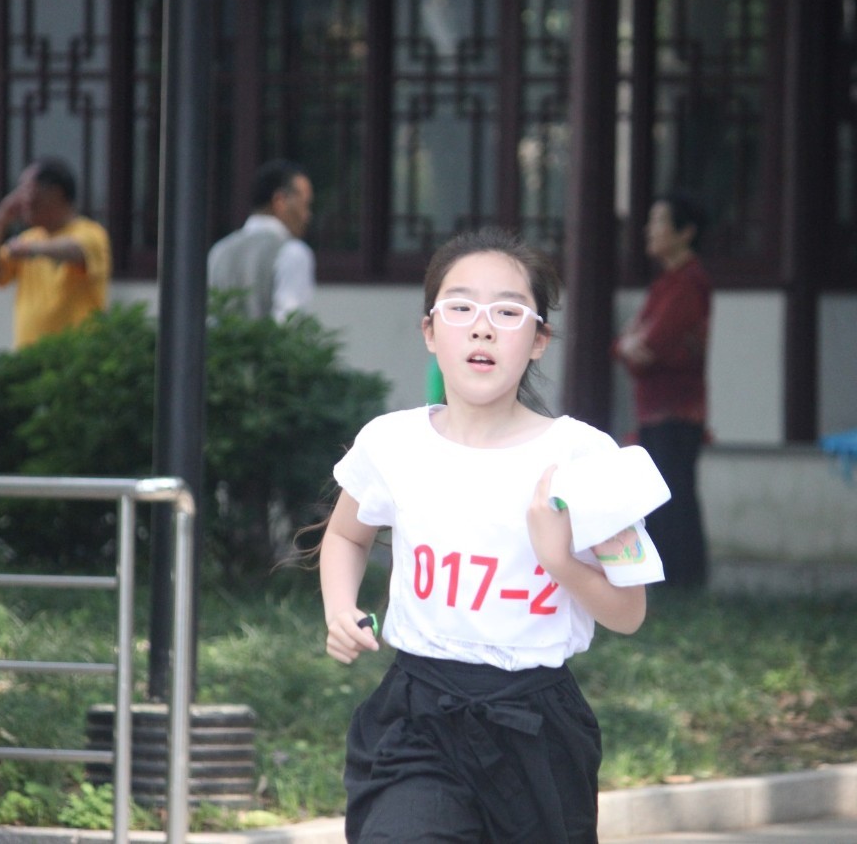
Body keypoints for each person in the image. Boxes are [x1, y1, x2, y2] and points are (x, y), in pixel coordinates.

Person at [319, 227, 664, 843]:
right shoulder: (392, 442)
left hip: (538, 729)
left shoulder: (584, 457)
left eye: (507, 312)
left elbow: (630, 612)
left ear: (538, 340)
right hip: (415, 716)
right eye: (460, 308)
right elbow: (347, 536)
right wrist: (340, 610)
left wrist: (559, 561)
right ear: (430, 331)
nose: (482, 327)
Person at [614, 192, 712, 589]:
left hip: (677, 409)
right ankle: (670, 581)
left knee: (675, 500)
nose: (648, 230)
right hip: (656, 408)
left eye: (658, 222)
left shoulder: (689, 283)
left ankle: (683, 583)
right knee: (661, 497)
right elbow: (624, 345)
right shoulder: (665, 284)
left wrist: (634, 347)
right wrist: (632, 347)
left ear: (685, 233)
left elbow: (648, 348)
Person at [0, 156, 112, 348]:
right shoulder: (28, 238)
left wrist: (31, 250)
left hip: (77, 356)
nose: (23, 199)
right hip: (30, 355)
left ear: (55, 193)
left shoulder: (91, 232)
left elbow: (75, 250)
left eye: (28, 189)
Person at [206, 158, 315, 321]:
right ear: (280, 201)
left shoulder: (219, 250)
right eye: (304, 204)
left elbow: (211, 319)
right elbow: (290, 324)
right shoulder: (293, 252)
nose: (307, 216)